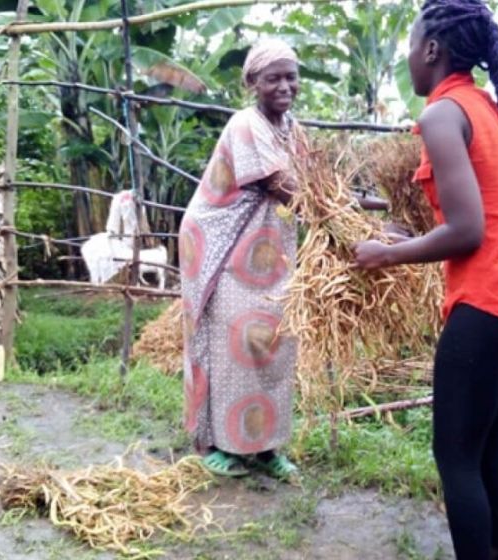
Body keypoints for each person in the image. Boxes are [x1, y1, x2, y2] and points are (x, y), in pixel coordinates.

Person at [353, 1, 498, 559]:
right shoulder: (482, 107)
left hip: (489, 304)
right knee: (484, 452)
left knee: (456, 460)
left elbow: (468, 231)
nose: (407, 58)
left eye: (410, 45)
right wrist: (406, 239)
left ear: (431, 49)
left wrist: (383, 256)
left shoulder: (441, 114)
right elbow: (482, 216)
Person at [178, 38, 306, 481]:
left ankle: (265, 445)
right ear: (252, 82)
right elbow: (284, 186)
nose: (285, 86)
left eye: (291, 76)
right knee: (232, 341)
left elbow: (317, 181)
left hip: (268, 247)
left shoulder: (293, 127)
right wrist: (353, 223)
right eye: (273, 78)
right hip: (223, 246)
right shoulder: (244, 125)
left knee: (273, 344)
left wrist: (364, 208)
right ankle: (218, 443)